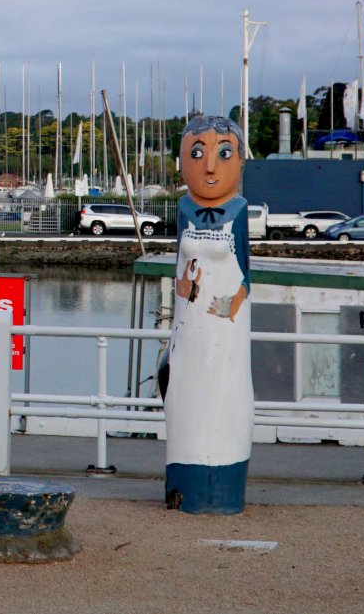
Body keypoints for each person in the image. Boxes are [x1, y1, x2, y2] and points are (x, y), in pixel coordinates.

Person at [164, 114, 253, 515]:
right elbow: (180, 266)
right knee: (184, 394)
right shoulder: (184, 208)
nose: (210, 167)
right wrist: (183, 287)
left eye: (223, 154)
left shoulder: (239, 211)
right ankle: (184, 487)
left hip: (225, 331)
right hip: (189, 325)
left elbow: (246, 275)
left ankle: (223, 489)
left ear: (240, 161)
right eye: (197, 153)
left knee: (224, 397)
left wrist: (232, 303)